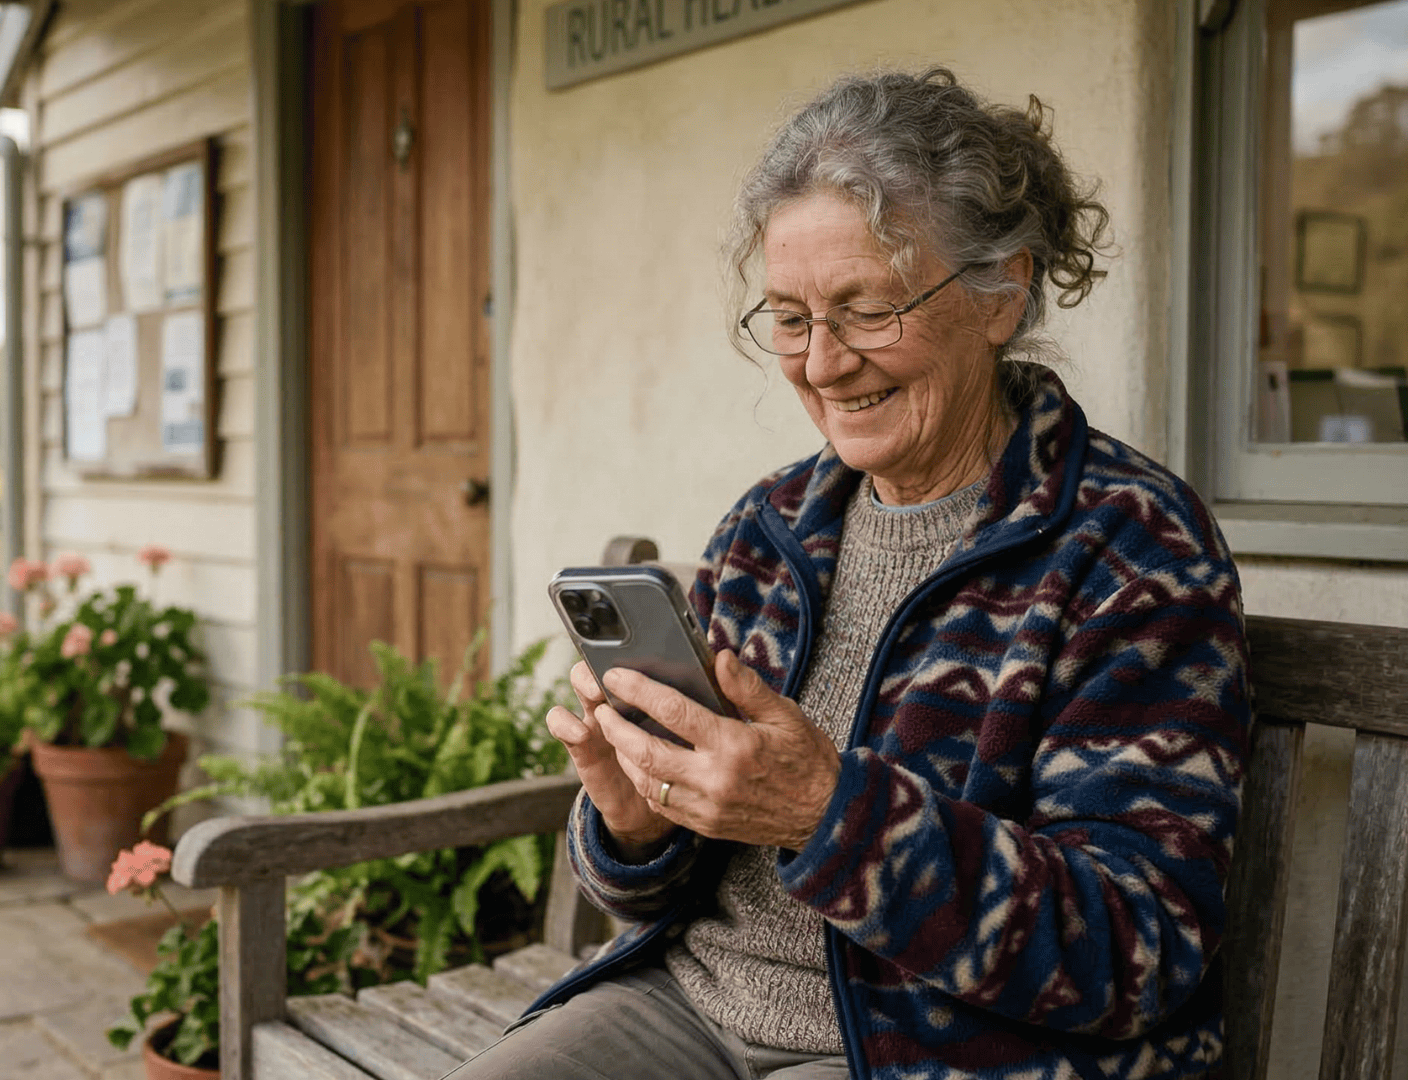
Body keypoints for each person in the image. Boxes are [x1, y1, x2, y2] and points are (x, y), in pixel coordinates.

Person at [447, 69, 1249, 1080]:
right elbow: (649, 895)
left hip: (943, 1050)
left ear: (1000, 293)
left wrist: (828, 814)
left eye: (866, 311)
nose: (823, 365)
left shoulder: (1129, 548)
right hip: (693, 1008)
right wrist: (638, 822)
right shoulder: (772, 526)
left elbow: (1137, 948)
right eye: (788, 317)